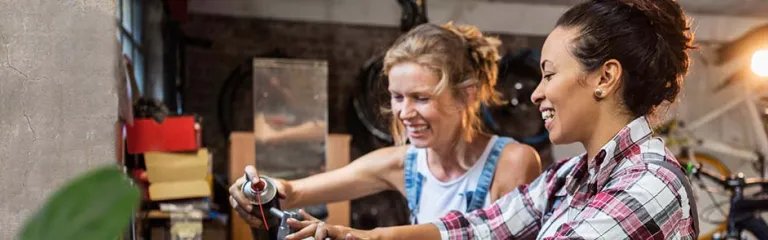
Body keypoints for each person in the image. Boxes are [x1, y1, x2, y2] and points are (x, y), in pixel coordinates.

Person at [283, 0, 699, 239]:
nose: (537, 92)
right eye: (397, 97)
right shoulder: (569, 177)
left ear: (605, 77)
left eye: (549, 74)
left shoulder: (651, 182)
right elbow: (479, 227)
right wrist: (361, 237)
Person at [229, 22, 543, 231]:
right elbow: (293, 193)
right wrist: (260, 190)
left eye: (421, 98)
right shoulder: (404, 164)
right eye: (397, 96)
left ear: (466, 95)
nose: (405, 112)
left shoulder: (512, 162)